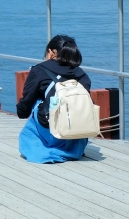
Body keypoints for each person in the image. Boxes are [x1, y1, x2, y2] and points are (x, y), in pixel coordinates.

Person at [16, 34, 92, 163]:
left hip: (52, 129)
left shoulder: (39, 70)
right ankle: (72, 149)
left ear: (51, 52)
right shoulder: (82, 75)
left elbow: (26, 105)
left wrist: (21, 111)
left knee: (39, 102)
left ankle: (44, 146)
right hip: (78, 129)